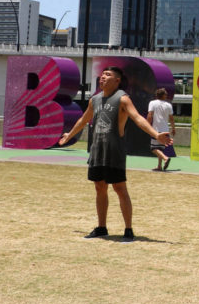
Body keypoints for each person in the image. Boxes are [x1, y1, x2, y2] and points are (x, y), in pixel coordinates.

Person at [59, 67, 172, 242]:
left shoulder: (122, 98)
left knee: (120, 189)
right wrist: (69, 135)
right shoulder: (95, 100)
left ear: (117, 80)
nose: (103, 77)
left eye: (108, 75)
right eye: (103, 75)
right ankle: (101, 227)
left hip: (114, 152)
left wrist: (156, 135)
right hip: (97, 150)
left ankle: (128, 230)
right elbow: (83, 120)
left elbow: (138, 118)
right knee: (99, 188)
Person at [147, 88, 175, 171]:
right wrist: (173, 128)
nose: (166, 96)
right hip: (165, 130)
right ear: (162, 95)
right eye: (165, 94)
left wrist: (147, 126)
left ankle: (165, 158)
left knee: (153, 148)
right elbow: (171, 119)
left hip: (156, 130)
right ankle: (159, 166)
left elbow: (150, 115)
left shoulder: (152, 103)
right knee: (160, 149)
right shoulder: (168, 105)